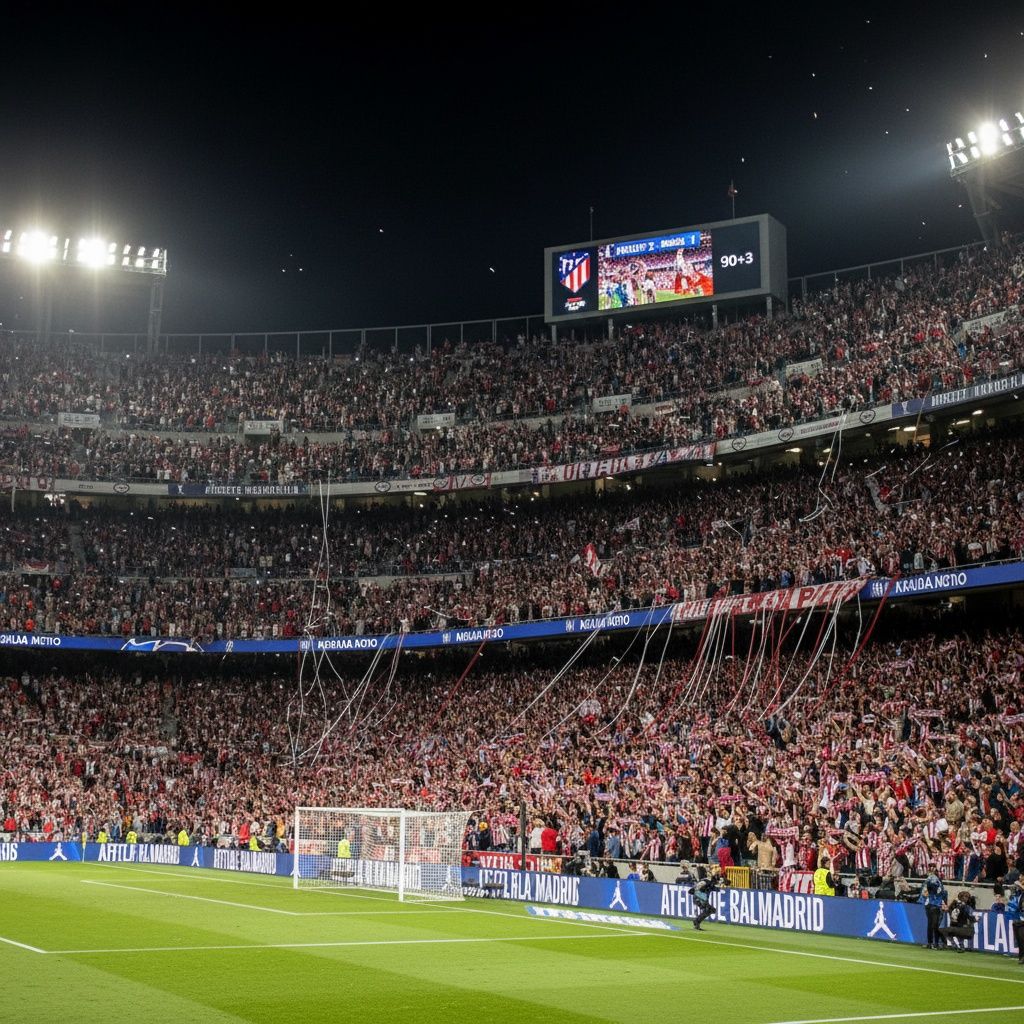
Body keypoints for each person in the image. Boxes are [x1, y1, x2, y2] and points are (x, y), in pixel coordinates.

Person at [691, 866, 726, 931]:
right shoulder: (706, 881)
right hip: (699, 898)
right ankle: (696, 922)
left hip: (701, 898)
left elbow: (716, 888)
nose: (718, 876)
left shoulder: (710, 882)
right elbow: (694, 889)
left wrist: (721, 885)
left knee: (711, 910)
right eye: (717, 874)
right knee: (709, 910)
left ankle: (696, 922)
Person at [919, 873, 948, 949]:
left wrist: (944, 905)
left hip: (937, 907)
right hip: (929, 906)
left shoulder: (941, 889)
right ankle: (930, 943)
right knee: (930, 925)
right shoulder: (928, 885)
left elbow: (941, 896)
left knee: (935, 926)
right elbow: (924, 894)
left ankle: (938, 943)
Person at [1007, 880, 1024, 964]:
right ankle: (1021, 957)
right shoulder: (1018, 895)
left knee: (1022, 938)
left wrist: (1019, 884)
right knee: (1019, 940)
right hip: (1017, 920)